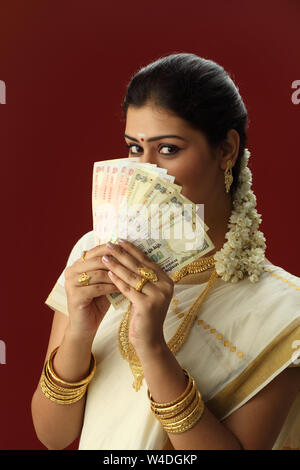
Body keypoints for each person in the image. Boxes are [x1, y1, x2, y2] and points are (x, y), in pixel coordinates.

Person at [31, 53, 300, 450]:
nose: (145, 171)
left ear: (226, 149)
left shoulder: (284, 309)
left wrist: (153, 347)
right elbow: (53, 436)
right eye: (134, 148)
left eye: (168, 149)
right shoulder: (96, 253)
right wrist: (79, 333)